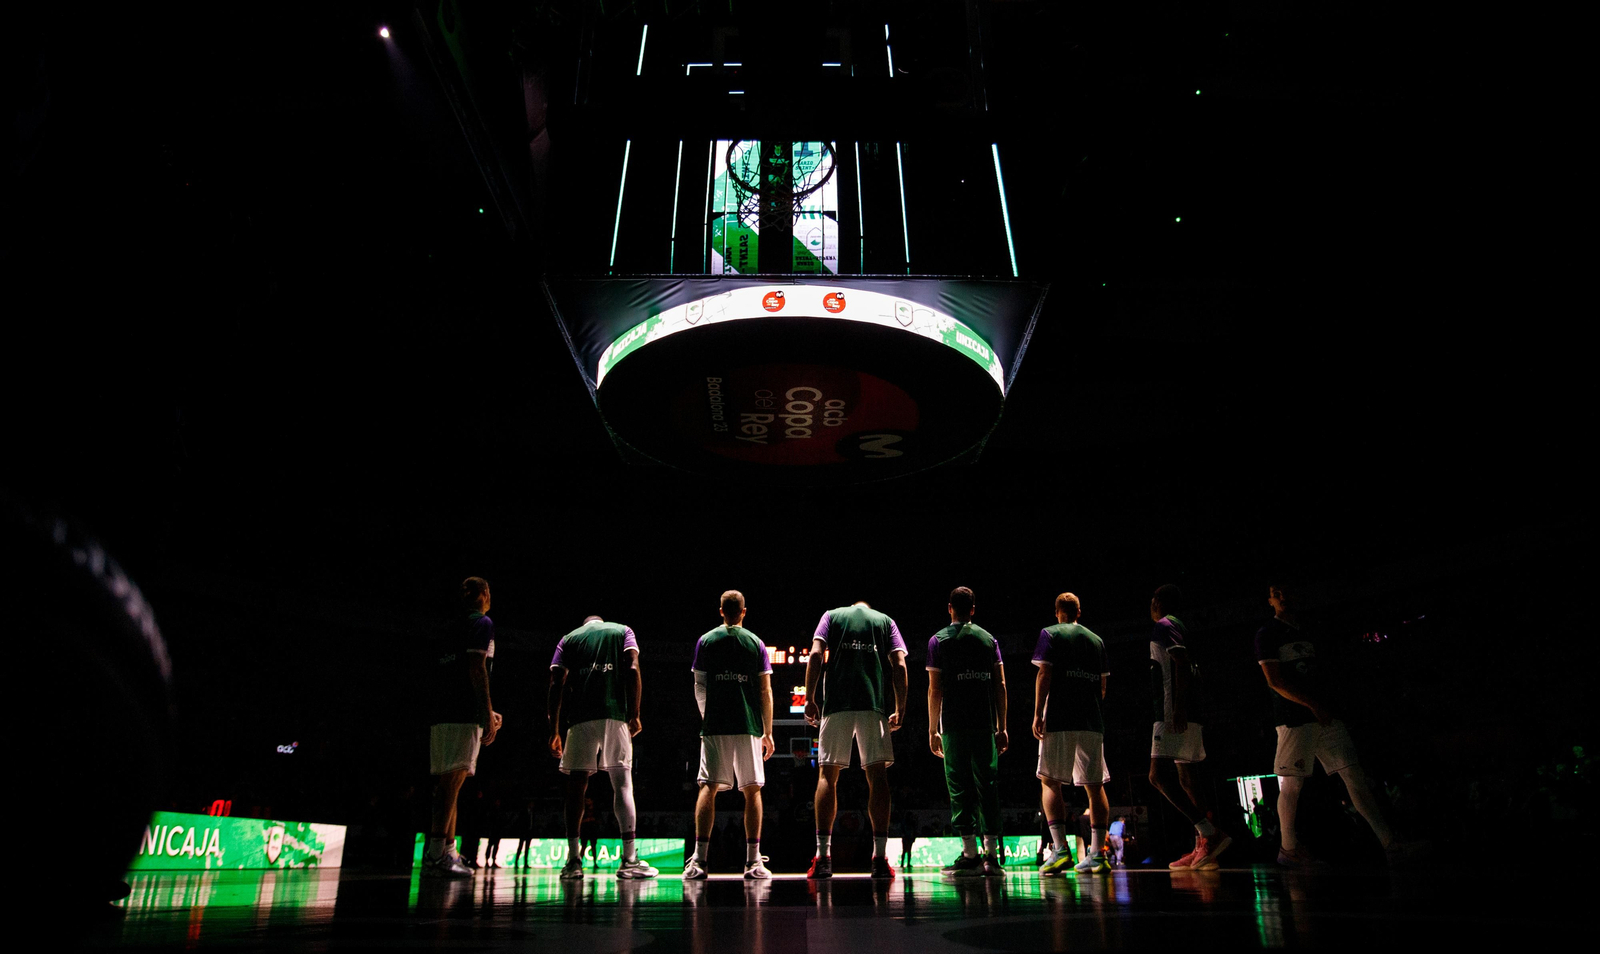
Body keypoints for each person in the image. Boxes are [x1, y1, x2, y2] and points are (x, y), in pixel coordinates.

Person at [1256, 582, 1418, 867]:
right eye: (1276, 592)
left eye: (1285, 590)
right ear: (1270, 600)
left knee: (1353, 775)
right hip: (1295, 721)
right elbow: (1274, 681)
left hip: (1326, 718)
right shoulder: (1267, 633)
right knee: (1291, 785)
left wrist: (1325, 706)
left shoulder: (1309, 630)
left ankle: (1390, 843)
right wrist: (1312, 704)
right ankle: (1288, 849)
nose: (1282, 596)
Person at [804, 601, 910, 880]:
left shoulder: (830, 616)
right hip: (872, 705)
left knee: (828, 776)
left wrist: (810, 697)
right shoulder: (885, 620)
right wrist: (901, 707)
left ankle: (824, 858)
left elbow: (815, 654)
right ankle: (879, 859)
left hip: (836, 704)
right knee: (877, 777)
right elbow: (899, 664)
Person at [548, 615, 657, 880]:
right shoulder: (623, 630)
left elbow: (556, 683)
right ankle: (629, 860)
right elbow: (632, 669)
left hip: (579, 718)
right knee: (622, 782)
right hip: (614, 713)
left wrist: (554, 730)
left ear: (585, 624)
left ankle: (573, 861)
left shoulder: (568, 639)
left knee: (577, 785)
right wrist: (635, 713)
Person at [682, 590, 776, 880]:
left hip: (715, 727)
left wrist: (707, 715)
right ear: (744, 612)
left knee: (708, 787)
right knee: (752, 789)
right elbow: (765, 691)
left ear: (720, 610)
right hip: (749, 727)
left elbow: (699, 685)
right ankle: (752, 863)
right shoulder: (756, 643)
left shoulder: (705, 640)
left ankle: (699, 861)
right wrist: (768, 732)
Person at [1145, 584, 1231, 869]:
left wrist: (1178, 707)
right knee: (1187, 777)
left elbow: (1180, 663)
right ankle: (1202, 847)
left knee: (1158, 776)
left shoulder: (1164, 625)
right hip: (1189, 709)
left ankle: (1209, 833)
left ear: (1158, 602)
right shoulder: (1182, 625)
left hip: (1172, 710)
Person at [927, 586, 1008, 878]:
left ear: (950, 608)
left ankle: (970, 854)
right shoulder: (989, 640)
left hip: (954, 725)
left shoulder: (938, 641)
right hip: (985, 724)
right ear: (973, 609)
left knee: (959, 785)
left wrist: (932, 728)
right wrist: (1003, 727)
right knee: (988, 784)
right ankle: (992, 857)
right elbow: (1000, 685)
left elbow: (935, 688)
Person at [422, 576, 501, 877]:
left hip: (441, 712)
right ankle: (435, 853)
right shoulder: (482, 624)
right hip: (464, 712)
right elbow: (476, 668)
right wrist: (487, 711)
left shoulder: (447, 627)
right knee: (450, 785)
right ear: (483, 594)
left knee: (449, 784)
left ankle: (448, 851)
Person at [1032, 592, 1112, 876]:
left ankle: (1060, 851)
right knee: (1095, 785)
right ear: (1079, 612)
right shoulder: (1096, 640)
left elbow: (1044, 674)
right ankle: (1097, 855)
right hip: (1092, 720)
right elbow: (1102, 687)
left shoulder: (1049, 634)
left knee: (1050, 781)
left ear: (1057, 612)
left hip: (1060, 718)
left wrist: (1038, 713)